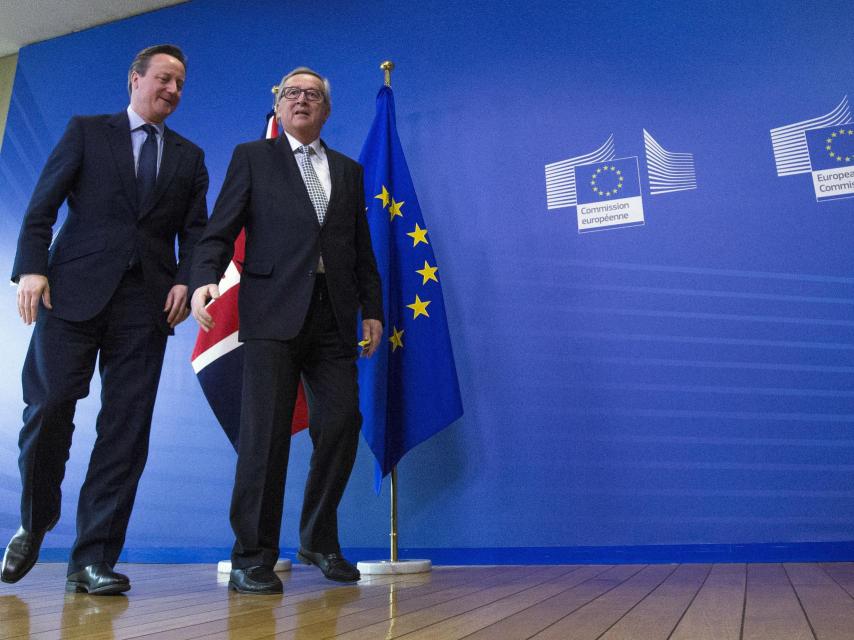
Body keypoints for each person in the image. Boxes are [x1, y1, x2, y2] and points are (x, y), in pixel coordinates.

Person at [1, 44, 208, 595]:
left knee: (126, 430)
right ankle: (35, 517)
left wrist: (188, 278)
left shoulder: (189, 157)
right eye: (163, 78)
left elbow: (197, 234)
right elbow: (42, 207)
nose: (172, 90)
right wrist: (30, 270)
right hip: (69, 294)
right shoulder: (87, 131)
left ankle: (92, 559)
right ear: (134, 79)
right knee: (47, 409)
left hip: (146, 306)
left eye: (180, 84)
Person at [190, 67, 383, 594]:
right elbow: (220, 228)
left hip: (333, 316)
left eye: (313, 95)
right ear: (279, 105)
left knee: (341, 423)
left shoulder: (347, 170)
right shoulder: (252, 157)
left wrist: (372, 307)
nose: (302, 100)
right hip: (272, 311)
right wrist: (204, 278)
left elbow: (360, 248)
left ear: (326, 110)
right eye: (292, 93)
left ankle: (319, 538)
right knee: (266, 436)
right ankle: (253, 556)